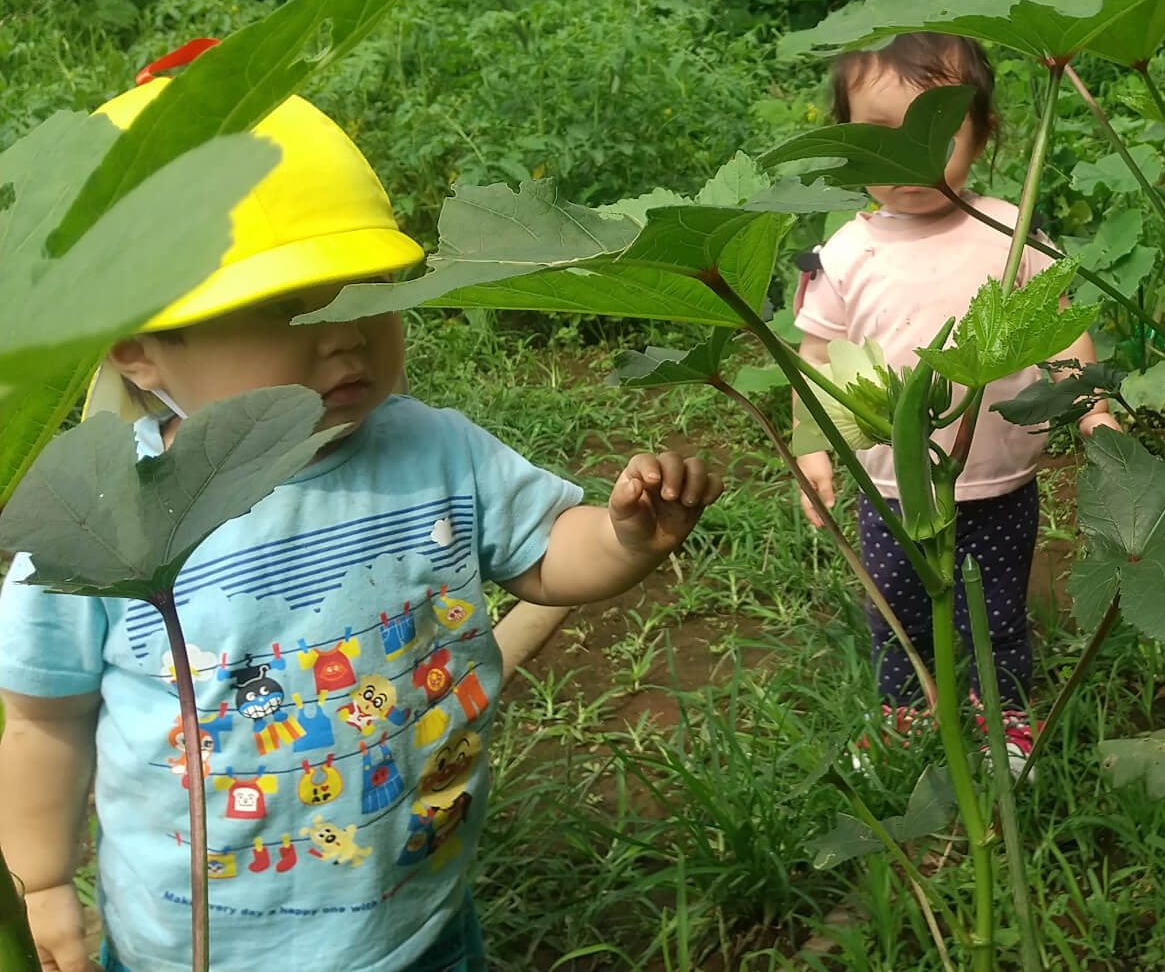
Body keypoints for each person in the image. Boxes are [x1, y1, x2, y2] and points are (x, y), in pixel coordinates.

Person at [0, 54, 725, 972]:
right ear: (138, 349)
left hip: (415, 921)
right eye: (283, 308)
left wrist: (622, 538)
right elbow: (42, 721)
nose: (343, 332)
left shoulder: (435, 453)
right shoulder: (96, 518)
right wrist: (41, 880)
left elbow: (546, 556)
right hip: (196, 952)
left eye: (362, 293)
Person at [793, 33, 1118, 770]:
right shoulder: (844, 252)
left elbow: (1056, 321)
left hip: (998, 477)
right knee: (898, 613)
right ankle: (908, 714)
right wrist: (813, 448)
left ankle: (1004, 713)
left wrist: (1091, 406)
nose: (909, 156)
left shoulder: (1009, 226)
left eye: (934, 130)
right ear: (844, 142)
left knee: (997, 613)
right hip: (889, 485)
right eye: (879, 135)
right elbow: (817, 359)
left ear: (983, 129)